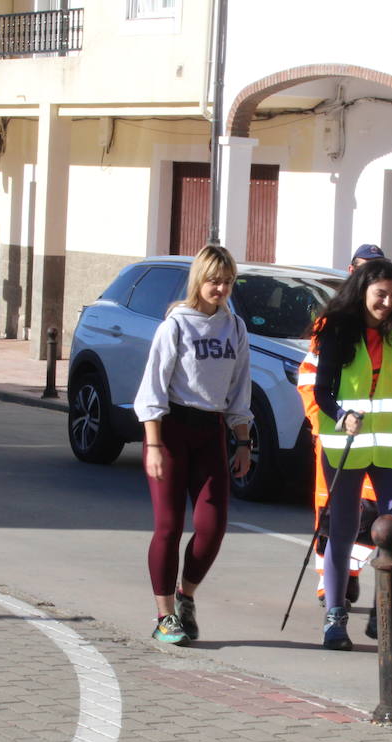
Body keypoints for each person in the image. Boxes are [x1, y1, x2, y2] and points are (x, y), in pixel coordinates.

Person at [311, 258, 392, 649]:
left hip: (389, 445)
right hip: (347, 444)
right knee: (342, 529)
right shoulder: (338, 330)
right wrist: (340, 413)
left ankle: (382, 607)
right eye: (379, 295)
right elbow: (323, 390)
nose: (386, 302)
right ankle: (335, 618)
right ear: (362, 292)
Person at [134, 244, 253, 646]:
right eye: (213, 280)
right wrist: (152, 445)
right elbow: (152, 387)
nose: (220, 288)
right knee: (168, 526)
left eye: (227, 282)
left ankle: (187, 595)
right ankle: (164, 614)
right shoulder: (176, 326)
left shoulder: (235, 328)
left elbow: (240, 389)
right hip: (171, 431)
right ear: (198, 281)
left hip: (211, 431)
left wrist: (242, 442)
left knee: (212, 526)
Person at [295, 243, 388, 637]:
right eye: (363, 271)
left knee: (371, 512)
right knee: (330, 513)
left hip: (375, 438)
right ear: (351, 273)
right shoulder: (330, 325)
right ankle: (328, 585)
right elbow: (311, 382)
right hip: (335, 434)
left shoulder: (387, 325)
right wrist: (324, 424)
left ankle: (347, 571)